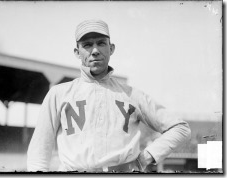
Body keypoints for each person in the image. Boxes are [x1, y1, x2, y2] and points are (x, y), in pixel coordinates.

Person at [27, 19, 191, 172]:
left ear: (111, 48)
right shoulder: (58, 94)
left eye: (101, 43)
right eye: (87, 45)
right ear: (77, 52)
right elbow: (38, 154)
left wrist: (146, 157)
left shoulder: (132, 95)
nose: (95, 51)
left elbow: (180, 128)